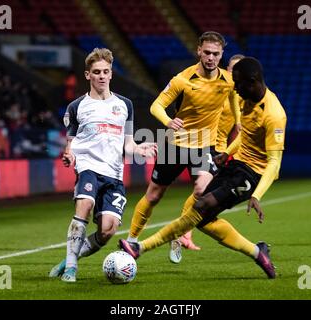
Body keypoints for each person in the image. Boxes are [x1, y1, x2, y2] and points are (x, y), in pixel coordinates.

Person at [119, 57, 287, 279]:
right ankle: (258, 252)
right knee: (200, 216)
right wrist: (226, 154)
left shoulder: (274, 114)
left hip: (253, 173)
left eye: (238, 83)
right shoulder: (245, 98)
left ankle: (140, 248)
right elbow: (245, 134)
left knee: (201, 205)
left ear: (252, 81)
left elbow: (274, 163)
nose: (234, 88)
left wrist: (256, 195)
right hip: (232, 162)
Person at [126, 31, 241, 264]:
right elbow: (156, 106)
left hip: (204, 147)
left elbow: (233, 103)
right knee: (154, 195)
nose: (210, 58)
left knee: (202, 191)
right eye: (206, 52)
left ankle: (177, 235)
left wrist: (238, 123)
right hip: (174, 145)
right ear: (199, 51)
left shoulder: (228, 81)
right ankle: (131, 240)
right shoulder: (183, 79)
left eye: (215, 54)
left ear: (221, 55)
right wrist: (168, 121)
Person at [48, 48, 156, 282]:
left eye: (106, 71)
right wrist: (69, 157)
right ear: (88, 75)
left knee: (107, 231)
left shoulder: (125, 105)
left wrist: (139, 149)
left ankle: (68, 258)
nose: (102, 76)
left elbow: (128, 145)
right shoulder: (76, 107)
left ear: (111, 74)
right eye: (96, 72)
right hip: (88, 168)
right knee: (84, 205)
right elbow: (71, 145)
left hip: (114, 175)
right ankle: (71, 268)